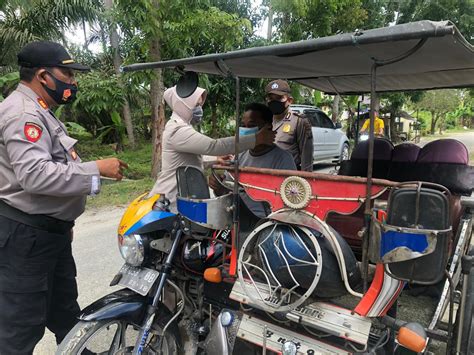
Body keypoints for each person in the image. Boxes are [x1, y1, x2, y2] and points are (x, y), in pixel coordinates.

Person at [0, 41, 127, 354]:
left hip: (48, 233)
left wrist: (62, 218)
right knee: (20, 327)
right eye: (67, 73)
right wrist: (96, 169)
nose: (73, 82)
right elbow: (35, 175)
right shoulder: (23, 114)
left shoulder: (41, 111)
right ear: (43, 76)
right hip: (27, 237)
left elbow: (57, 168)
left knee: (65, 313)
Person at [148, 86, 275, 208]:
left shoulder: (181, 127)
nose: (199, 109)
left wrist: (216, 159)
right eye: (196, 105)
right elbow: (214, 146)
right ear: (182, 106)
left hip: (181, 197)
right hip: (170, 199)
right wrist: (256, 139)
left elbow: (188, 159)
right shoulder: (178, 130)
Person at [210, 103, 296, 217]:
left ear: (268, 127)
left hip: (264, 222)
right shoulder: (239, 156)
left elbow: (291, 201)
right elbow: (227, 193)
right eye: (243, 126)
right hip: (236, 217)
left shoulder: (283, 159)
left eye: (251, 126)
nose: (245, 130)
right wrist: (218, 186)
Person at [264, 79, 313, 172]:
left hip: (288, 176)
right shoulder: (264, 121)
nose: (274, 102)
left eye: (279, 98)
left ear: (290, 100)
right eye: (271, 98)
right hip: (266, 174)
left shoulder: (299, 121)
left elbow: (306, 157)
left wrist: (306, 180)